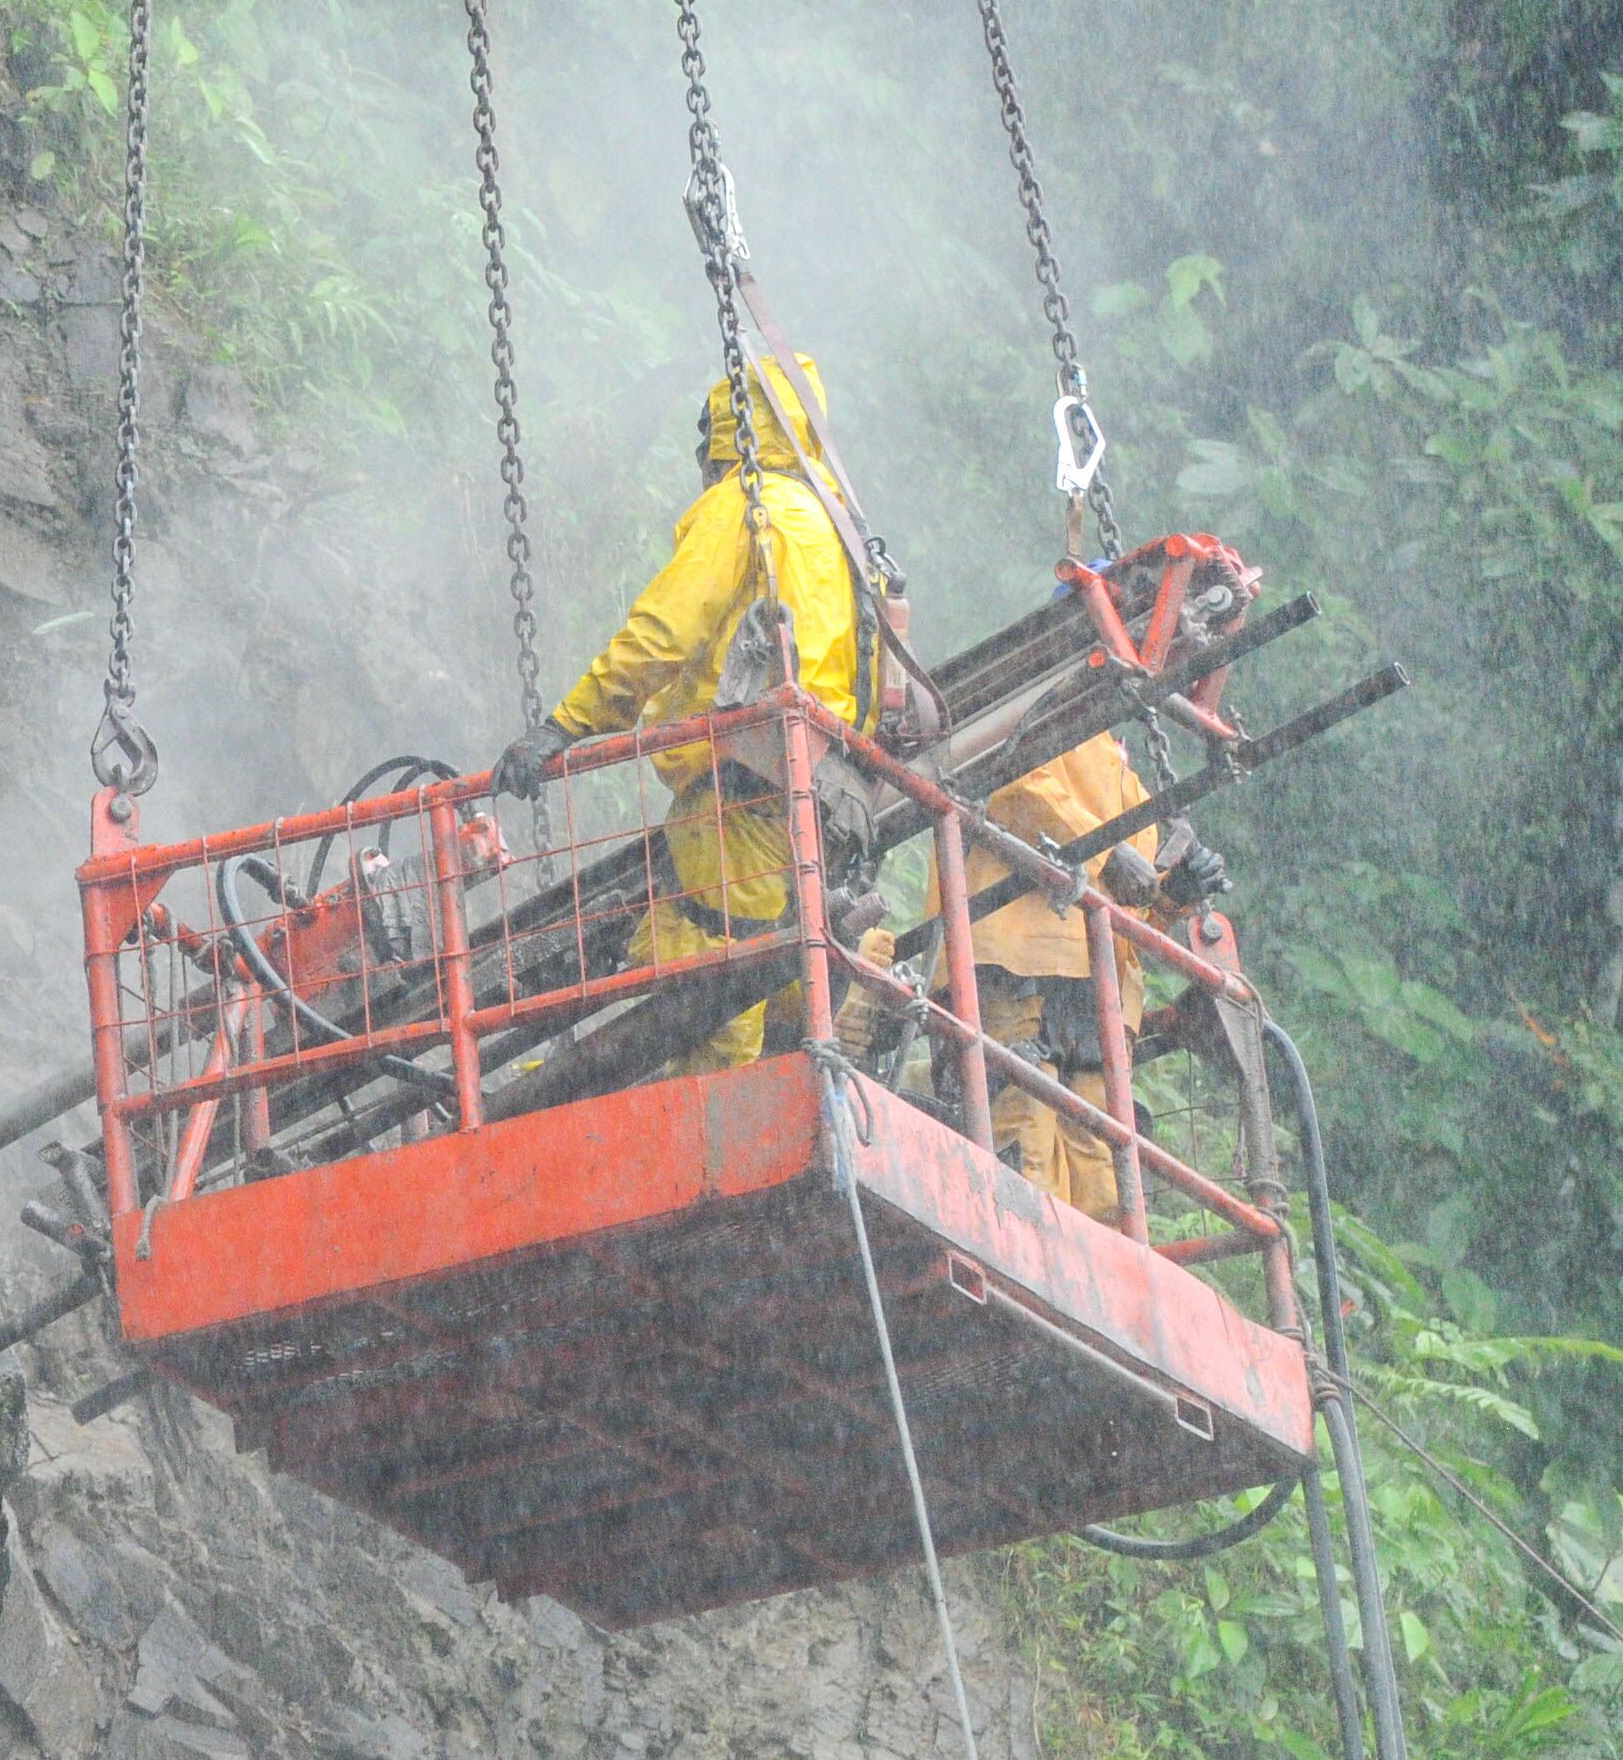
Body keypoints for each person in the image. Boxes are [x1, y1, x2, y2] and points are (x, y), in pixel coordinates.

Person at [490, 355, 874, 1070]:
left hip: (737, 794)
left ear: (726, 437)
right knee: (735, 965)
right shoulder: (834, 530)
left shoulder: (745, 505)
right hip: (818, 795)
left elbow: (664, 634)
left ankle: (713, 1151)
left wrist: (566, 725)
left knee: (709, 990)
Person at [954, 731, 1229, 1215]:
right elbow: (1010, 786)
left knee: (1107, 1202)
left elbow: (1126, 920)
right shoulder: (1043, 720)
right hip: (1022, 974)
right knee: (1023, 1162)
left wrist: (1171, 893)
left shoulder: (1130, 784)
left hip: (1091, 1017)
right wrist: (1105, 853)